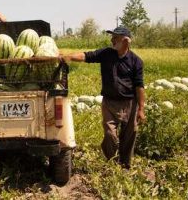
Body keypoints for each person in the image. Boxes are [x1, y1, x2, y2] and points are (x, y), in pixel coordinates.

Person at [61, 26, 146, 168]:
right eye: (112, 37)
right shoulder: (106, 53)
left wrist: (141, 109)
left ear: (125, 41)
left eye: (115, 38)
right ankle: (111, 160)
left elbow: (139, 86)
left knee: (129, 136)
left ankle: (125, 165)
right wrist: (67, 56)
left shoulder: (136, 61)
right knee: (109, 134)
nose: (112, 40)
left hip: (130, 103)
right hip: (109, 103)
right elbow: (86, 56)